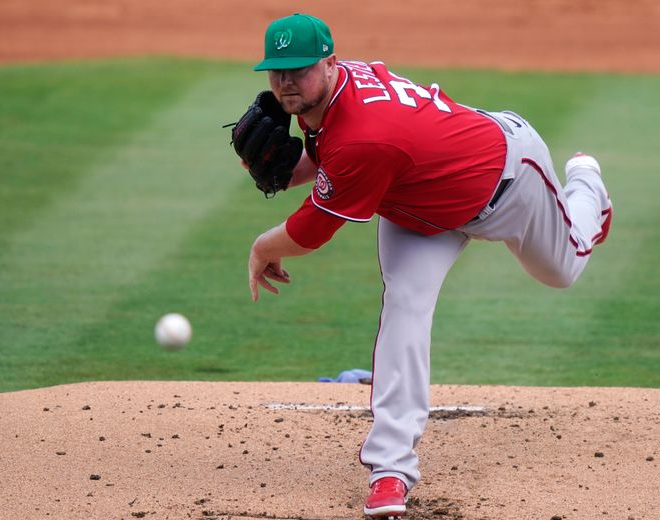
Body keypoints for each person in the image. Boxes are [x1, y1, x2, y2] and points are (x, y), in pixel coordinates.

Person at [243, 13, 612, 519]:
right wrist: (286, 172)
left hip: (507, 180)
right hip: (417, 209)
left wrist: (263, 247)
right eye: (277, 71)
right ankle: (390, 470)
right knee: (405, 308)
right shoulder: (335, 96)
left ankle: (587, 186)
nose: (286, 83)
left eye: (300, 70)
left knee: (562, 269)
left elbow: (310, 231)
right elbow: (333, 160)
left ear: (329, 63)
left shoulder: (363, 137)